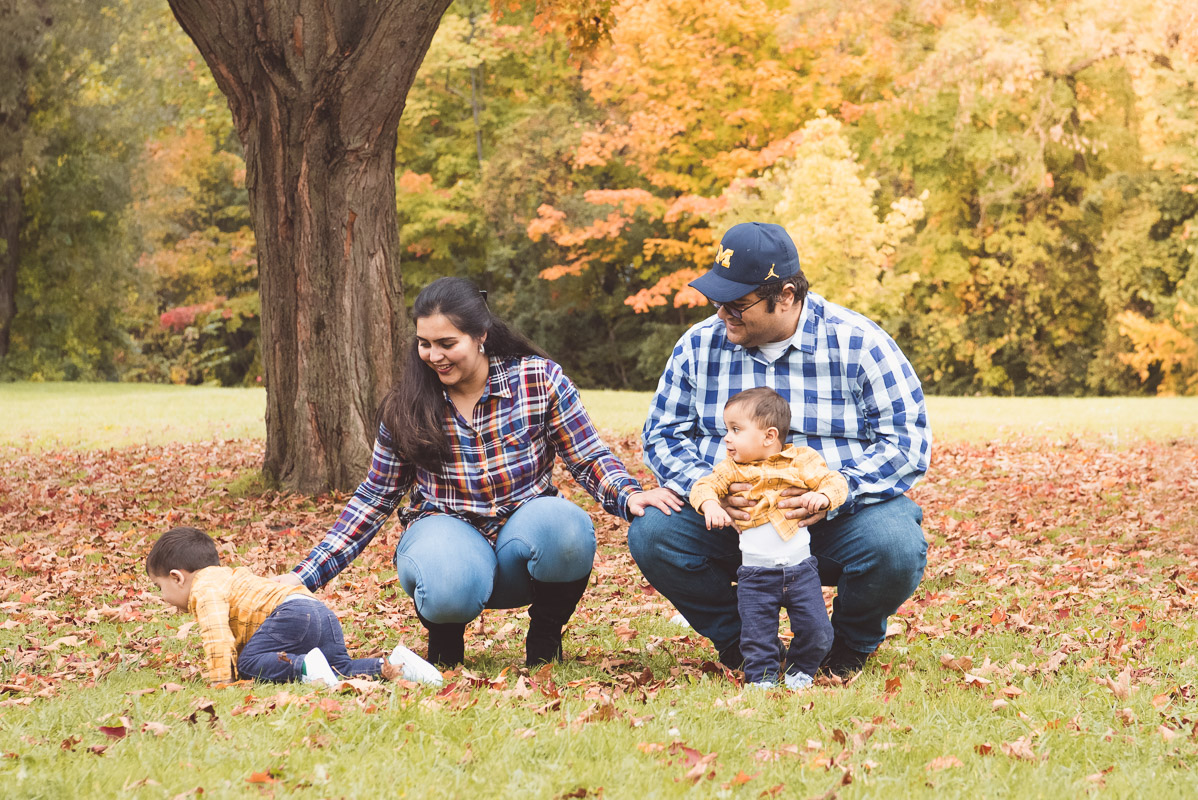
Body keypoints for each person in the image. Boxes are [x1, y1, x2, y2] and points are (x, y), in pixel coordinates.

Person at [273, 277, 680, 669]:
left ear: (481, 334)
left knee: (568, 528)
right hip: (446, 540)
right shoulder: (407, 405)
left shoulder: (538, 380)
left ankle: (544, 638)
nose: (434, 356)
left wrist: (628, 493)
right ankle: (446, 644)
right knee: (449, 579)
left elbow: (588, 456)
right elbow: (374, 498)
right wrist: (304, 577)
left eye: (447, 343)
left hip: (524, 539)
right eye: (425, 344)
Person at [629, 221, 931, 678]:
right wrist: (710, 494)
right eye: (717, 300)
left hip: (834, 519)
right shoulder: (698, 345)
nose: (722, 313)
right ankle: (743, 644)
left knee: (896, 545)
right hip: (733, 517)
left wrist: (832, 493)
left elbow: (907, 442)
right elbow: (662, 435)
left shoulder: (859, 343)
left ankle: (847, 645)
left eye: (737, 304)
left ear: (785, 296)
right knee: (654, 534)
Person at [146, 526, 442, 686]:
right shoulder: (228, 577)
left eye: (160, 587)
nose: (163, 597)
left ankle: (304, 666)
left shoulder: (204, 587)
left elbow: (217, 637)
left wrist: (221, 681)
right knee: (340, 668)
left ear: (177, 577)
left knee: (249, 663)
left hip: (290, 615)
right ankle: (398, 665)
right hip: (317, 610)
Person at [690, 387, 847, 688]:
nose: (727, 438)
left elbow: (834, 481)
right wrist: (711, 505)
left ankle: (800, 669)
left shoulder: (801, 461)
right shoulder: (731, 470)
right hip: (756, 575)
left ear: (769, 436)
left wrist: (824, 497)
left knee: (817, 631)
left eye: (736, 430)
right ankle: (761, 677)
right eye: (727, 430)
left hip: (801, 571)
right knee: (756, 635)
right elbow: (703, 486)